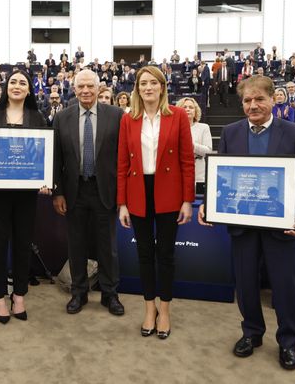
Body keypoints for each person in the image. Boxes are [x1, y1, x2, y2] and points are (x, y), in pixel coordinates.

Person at [198, 75, 295, 371]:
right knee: (246, 284)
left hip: (281, 227)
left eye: (259, 99)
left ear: (273, 99)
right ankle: (252, 333)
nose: (253, 105)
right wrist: (209, 204)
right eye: (247, 100)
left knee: (285, 286)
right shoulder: (231, 132)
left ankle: (288, 342)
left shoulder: (294, 132)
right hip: (243, 226)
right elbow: (223, 178)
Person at [116, 66, 194, 340]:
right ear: (137, 89)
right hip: (138, 192)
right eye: (143, 83)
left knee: (166, 255)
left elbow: (187, 160)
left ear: (162, 87)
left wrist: (187, 200)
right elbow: (122, 163)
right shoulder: (128, 119)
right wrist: (122, 203)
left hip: (169, 192)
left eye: (153, 83)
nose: (148, 87)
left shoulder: (178, 115)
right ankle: (149, 309)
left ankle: (165, 310)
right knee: (145, 254)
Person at [0, 69, 50, 324]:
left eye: (22, 83)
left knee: (23, 243)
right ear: (6, 87)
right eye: (13, 82)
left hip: (26, 193)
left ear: (29, 90)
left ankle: (19, 295)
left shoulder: (37, 117)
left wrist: (46, 178)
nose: (17, 86)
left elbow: (43, 153)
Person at [52, 70, 124, 316]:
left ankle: (110, 294)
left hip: (105, 190)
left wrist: (122, 193)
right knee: (76, 245)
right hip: (74, 191)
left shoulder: (116, 115)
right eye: (80, 86)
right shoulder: (62, 117)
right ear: (74, 89)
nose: (85, 91)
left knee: (108, 246)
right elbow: (56, 158)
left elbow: (123, 157)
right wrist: (58, 192)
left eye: (90, 86)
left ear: (98, 88)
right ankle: (78, 292)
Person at [176, 97, 212, 184]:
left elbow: (208, 151)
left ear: (195, 111)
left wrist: (192, 146)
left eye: (191, 107)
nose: (188, 109)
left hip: (198, 173)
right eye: (184, 107)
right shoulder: (173, 128)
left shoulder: (204, 127)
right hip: (178, 171)